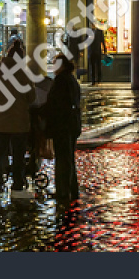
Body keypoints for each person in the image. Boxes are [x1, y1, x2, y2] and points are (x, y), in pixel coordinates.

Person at [0, 43, 34, 196]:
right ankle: (17, 186)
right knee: (18, 156)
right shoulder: (24, 75)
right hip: (19, 123)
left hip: (0, 122)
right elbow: (31, 97)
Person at [44, 52, 83, 204]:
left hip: (62, 125)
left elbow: (55, 104)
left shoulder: (61, 81)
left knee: (62, 159)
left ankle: (62, 191)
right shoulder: (71, 80)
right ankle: (71, 190)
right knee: (68, 159)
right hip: (71, 125)